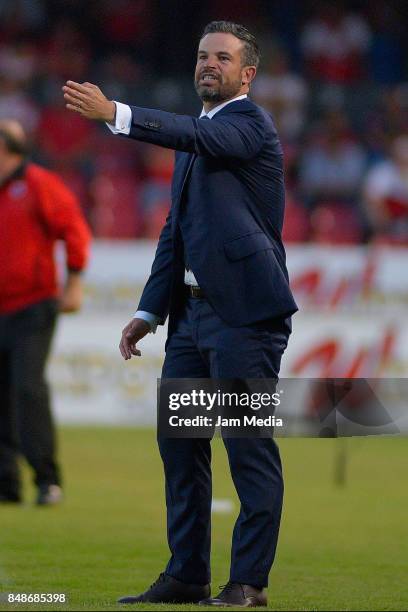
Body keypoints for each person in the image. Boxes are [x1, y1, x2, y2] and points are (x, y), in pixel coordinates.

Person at [63, 21, 297, 607]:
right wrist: (149, 309)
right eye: (201, 55)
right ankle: (188, 574)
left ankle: (248, 582)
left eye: (222, 56)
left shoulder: (248, 126)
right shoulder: (199, 138)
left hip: (244, 318)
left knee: (248, 448)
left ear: (248, 74)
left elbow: (195, 136)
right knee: (182, 450)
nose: (208, 64)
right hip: (191, 322)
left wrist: (116, 111)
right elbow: (176, 232)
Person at [0, 119, 91, 506]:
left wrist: (73, 282)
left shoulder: (38, 184)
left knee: (27, 388)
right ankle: (6, 484)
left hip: (32, 305)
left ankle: (46, 478)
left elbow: (74, 231)